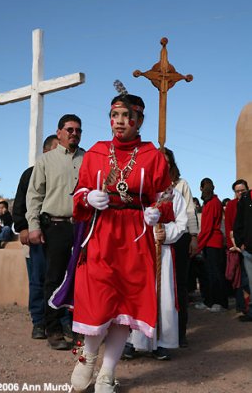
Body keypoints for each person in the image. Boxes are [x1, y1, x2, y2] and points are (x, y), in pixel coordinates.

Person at [70, 91, 171, 393]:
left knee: (125, 305)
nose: (120, 121)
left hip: (135, 238)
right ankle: (87, 358)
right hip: (102, 233)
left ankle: (107, 373)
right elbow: (77, 194)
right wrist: (88, 196)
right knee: (98, 298)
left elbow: (165, 198)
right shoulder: (96, 153)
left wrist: (156, 212)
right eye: (115, 115)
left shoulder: (153, 156)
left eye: (127, 116)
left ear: (139, 120)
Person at [26, 114, 85, 350]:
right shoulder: (45, 161)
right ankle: (54, 330)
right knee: (55, 279)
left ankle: (81, 329)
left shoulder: (89, 159)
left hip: (82, 228)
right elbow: (34, 195)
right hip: (56, 226)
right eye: (69, 129)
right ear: (59, 132)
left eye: (78, 130)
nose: (74, 133)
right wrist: (33, 226)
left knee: (83, 279)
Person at [13, 134, 74, 340]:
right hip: (38, 232)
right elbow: (23, 202)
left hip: (59, 233)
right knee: (40, 278)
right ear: (48, 151)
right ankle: (39, 321)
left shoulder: (68, 172)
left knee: (62, 278)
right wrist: (24, 228)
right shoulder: (31, 173)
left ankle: (64, 321)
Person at [124, 188, 187, 361]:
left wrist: (165, 232)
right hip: (138, 247)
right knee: (136, 295)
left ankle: (159, 343)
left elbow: (181, 223)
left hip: (163, 250)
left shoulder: (174, 195)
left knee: (162, 297)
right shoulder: (139, 189)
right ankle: (131, 341)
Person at [162, 147, 198, 348]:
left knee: (179, 284)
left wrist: (193, 237)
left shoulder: (181, 184)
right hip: (157, 238)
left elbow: (190, 211)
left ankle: (180, 332)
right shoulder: (150, 183)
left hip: (180, 237)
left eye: (166, 160)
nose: (163, 163)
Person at [196, 178, 228, 312]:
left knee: (214, 274)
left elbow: (207, 229)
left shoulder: (212, 203)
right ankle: (211, 301)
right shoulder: (213, 202)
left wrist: (198, 246)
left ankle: (219, 302)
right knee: (211, 273)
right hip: (212, 242)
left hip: (212, 243)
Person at [224, 179, 249, 314]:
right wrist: (233, 246)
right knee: (238, 278)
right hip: (236, 247)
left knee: (246, 278)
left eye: (242, 191)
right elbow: (229, 226)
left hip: (249, 247)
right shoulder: (231, 205)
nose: (240, 193)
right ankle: (242, 306)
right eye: (237, 191)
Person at [233, 186, 252, 322]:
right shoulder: (246, 198)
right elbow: (238, 223)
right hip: (249, 249)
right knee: (251, 282)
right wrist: (241, 243)